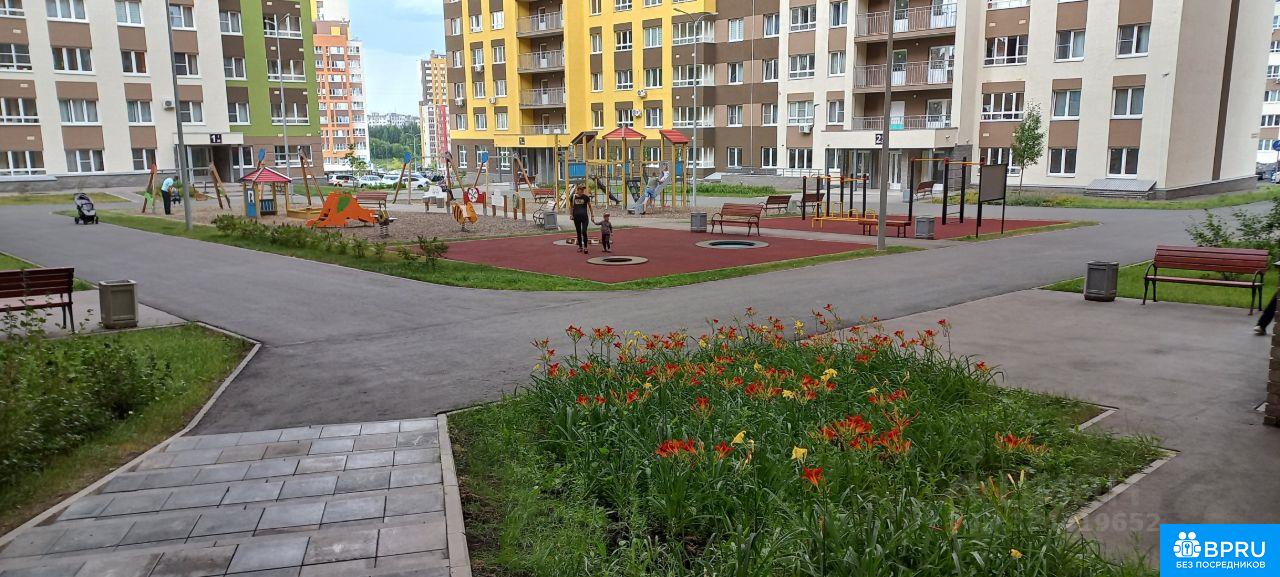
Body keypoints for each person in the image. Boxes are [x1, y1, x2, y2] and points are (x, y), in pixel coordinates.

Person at [570, 183, 594, 254]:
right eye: (581, 189)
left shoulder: (586, 197)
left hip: (584, 218)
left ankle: (585, 247)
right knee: (578, 232)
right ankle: (580, 247)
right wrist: (571, 215)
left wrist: (592, 215)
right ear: (577, 190)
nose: (582, 191)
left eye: (583, 189)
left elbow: (590, 206)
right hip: (576, 217)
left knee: (584, 231)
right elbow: (571, 207)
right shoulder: (573, 197)